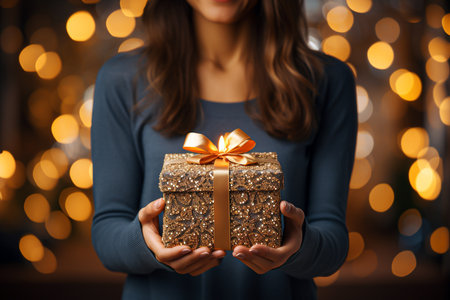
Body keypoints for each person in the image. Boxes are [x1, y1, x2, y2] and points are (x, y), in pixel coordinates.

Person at [91, 0, 357, 299]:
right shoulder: (122, 79)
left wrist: (300, 247)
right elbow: (107, 233)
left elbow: (333, 240)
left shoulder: (327, 79)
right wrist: (145, 244)